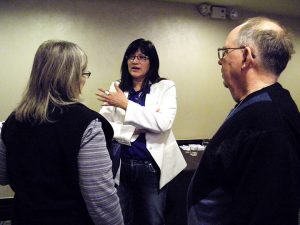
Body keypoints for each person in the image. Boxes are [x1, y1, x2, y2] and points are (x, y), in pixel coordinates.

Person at [187, 17, 300, 225]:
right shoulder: (259, 106)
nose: (220, 61)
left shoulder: (269, 122)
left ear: (246, 56)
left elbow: (266, 213)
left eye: (225, 52)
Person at [0, 40, 123, 225]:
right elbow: (101, 201)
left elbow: (2, 176)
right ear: (72, 77)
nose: (84, 79)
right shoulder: (88, 125)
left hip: (23, 217)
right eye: (84, 73)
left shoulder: (13, 120)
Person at [97, 38, 186, 225]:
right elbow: (105, 126)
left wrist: (125, 105)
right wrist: (144, 122)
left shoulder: (165, 86)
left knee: (153, 220)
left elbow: (163, 123)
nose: (135, 61)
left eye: (142, 57)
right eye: (131, 56)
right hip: (121, 163)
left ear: (151, 62)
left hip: (151, 167)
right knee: (120, 218)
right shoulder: (116, 87)